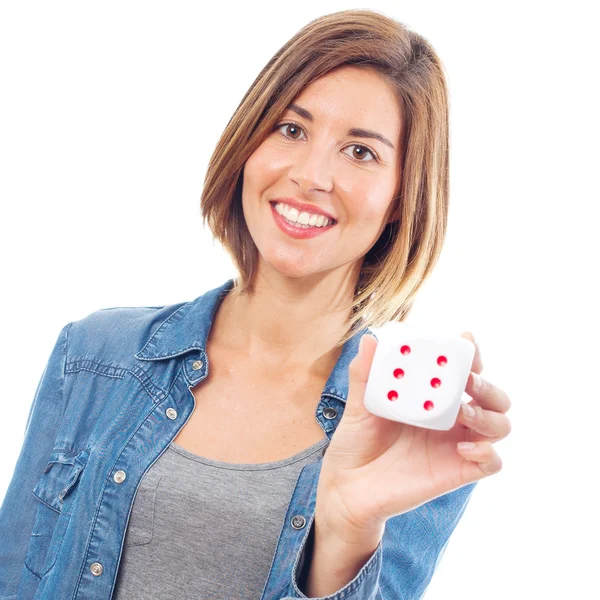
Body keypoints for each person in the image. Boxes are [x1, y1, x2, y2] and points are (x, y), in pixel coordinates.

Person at [0, 8, 512, 600]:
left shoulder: (409, 432)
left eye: (361, 153)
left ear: (402, 196)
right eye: (292, 130)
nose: (311, 175)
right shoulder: (94, 354)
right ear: (249, 143)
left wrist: (347, 535)